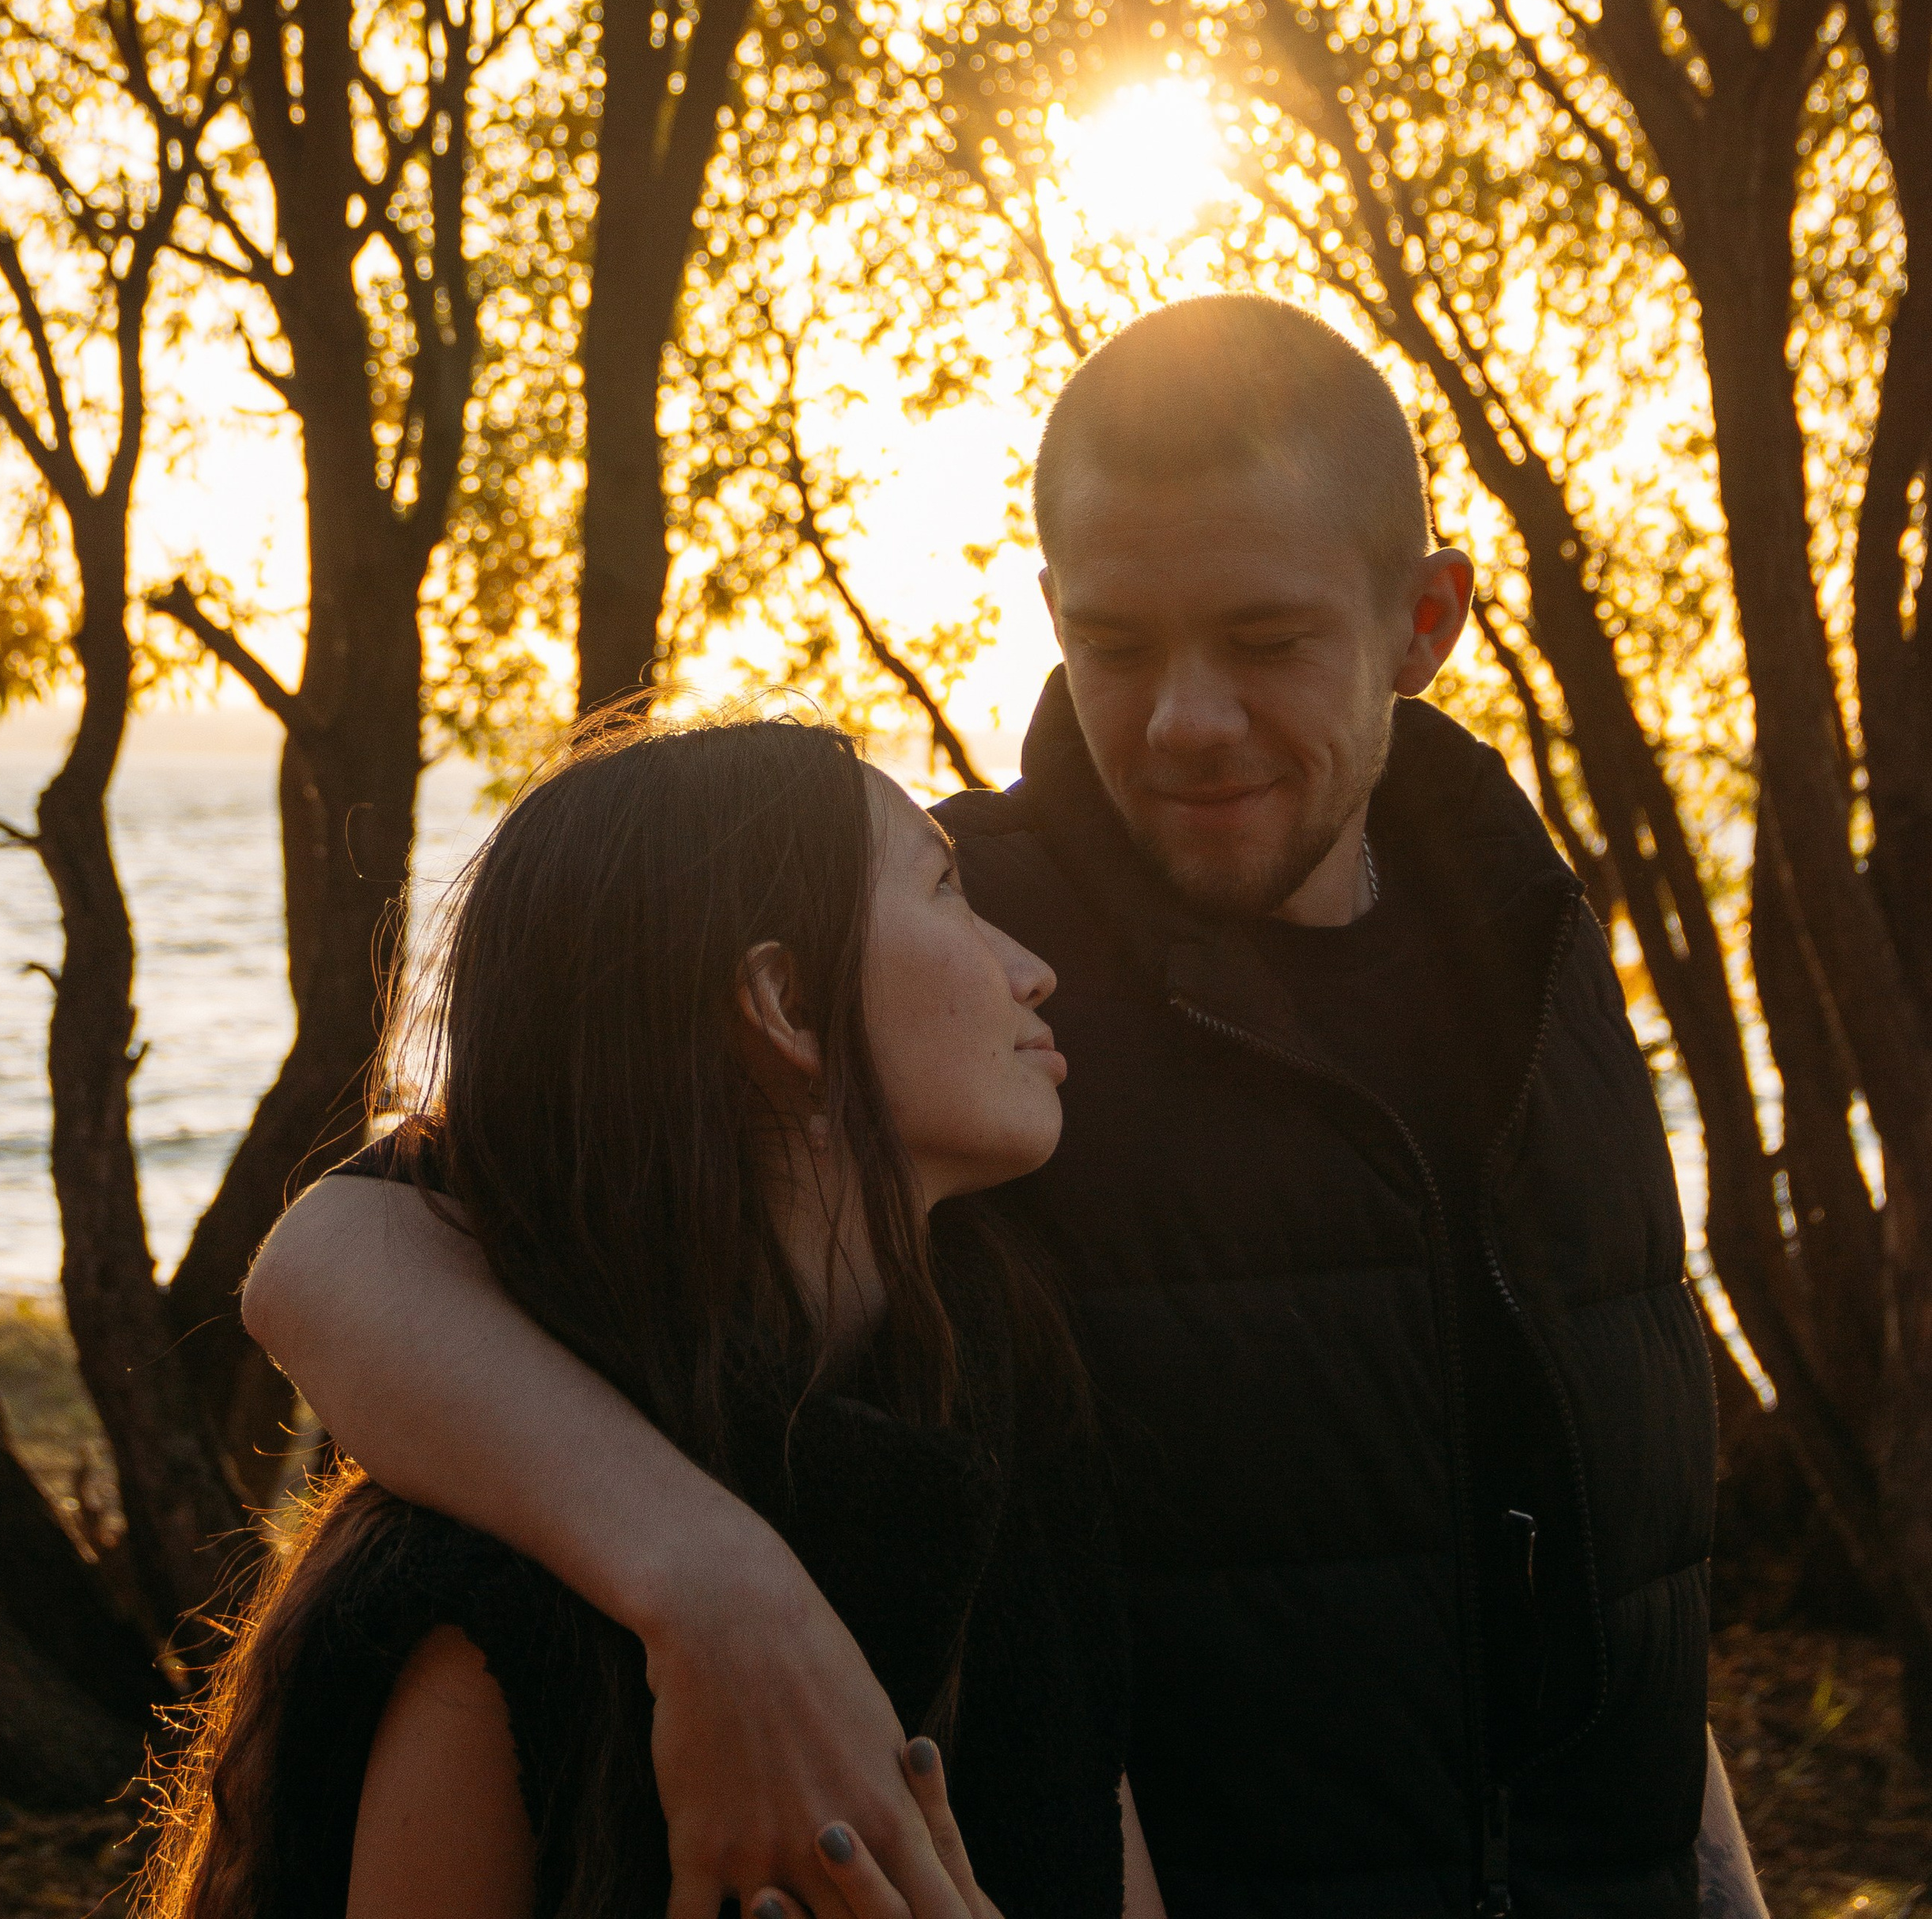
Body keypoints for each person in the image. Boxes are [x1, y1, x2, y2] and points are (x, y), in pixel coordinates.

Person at [244, 298, 1770, 1919]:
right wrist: (707, 1583)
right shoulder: (959, 993)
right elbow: (346, 1258)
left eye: (1263, 642)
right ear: (1048, 613)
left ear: (1422, 620)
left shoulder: (1531, 951)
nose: (1184, 720)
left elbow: (1614, 1551)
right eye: (1115, 646)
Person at [142, 710, 1162, 1919]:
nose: (1029, 966)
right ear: (787, 1005)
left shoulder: (1000, 1435)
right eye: (946, 891)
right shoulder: (492, 1623)